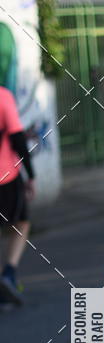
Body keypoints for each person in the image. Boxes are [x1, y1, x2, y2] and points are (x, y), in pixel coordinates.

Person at [0, 86, 35, 306]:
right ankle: (9, 274)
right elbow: (17, 138)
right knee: (21, 223)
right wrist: (31, 175)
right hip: (6, 177)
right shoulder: (3, 96)